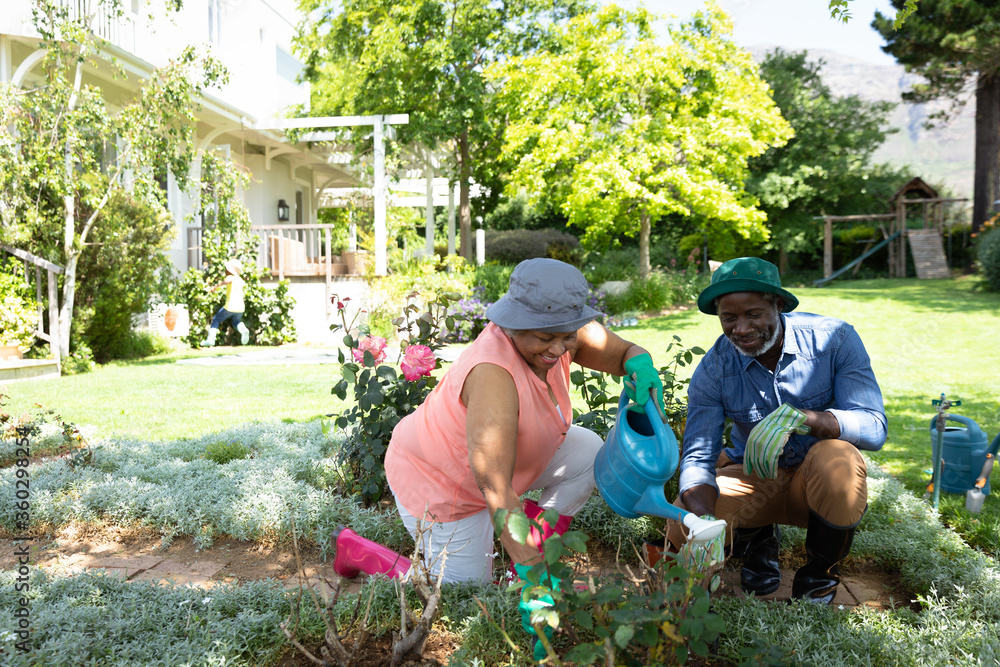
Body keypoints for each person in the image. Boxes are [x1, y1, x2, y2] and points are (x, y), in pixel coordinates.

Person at [330, 258, 665, 586]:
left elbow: (624, 353)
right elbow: (495, 487)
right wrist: (538, 580)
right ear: (515, 323)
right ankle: (357, 551)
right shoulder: (493, 377)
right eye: (546, 338)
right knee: (461, 595)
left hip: (505, 464)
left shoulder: (560, 330)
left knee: (589, 451)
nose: (559, 349)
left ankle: (524, 554)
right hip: (442, 482)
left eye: (567, 336)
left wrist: (642, 367)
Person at [668, 257, 887, 605]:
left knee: (839, 457)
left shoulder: (834, 340)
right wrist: (705, 521)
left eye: (753, 314)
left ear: (778, 304)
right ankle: (758, 540)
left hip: (815, 484)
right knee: (683, 525)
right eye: (730, 318)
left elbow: (874, 428)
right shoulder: (714, 370)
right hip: (752, 477)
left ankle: (818, 577)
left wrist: (809, 419)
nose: (741, 328)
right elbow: (697, 456)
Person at [202, 258, 250, 347]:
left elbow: (228, 281)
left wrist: (216, 286)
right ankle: (243, 330)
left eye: (226, 269)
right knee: (236, 322)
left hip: (230, 306)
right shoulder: (239, 279)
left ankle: (210, 340)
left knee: (216, 319)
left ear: (229, 270)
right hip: (240, 308)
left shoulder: (230, 277)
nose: (225, 271)